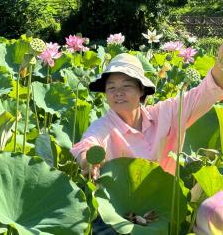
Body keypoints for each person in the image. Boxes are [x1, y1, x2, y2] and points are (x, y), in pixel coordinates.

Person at [71, 46, 223, 177]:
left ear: (141, 90)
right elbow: (86, 145)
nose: (118, 92)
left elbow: (206, 92)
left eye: (126, 86)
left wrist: (220, 63)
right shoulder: (102, 128)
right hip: (123, 209)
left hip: (166, 204)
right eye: (111, 87)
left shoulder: (166, 113)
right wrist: (88, 161)